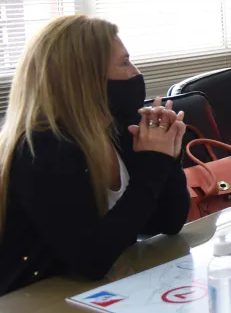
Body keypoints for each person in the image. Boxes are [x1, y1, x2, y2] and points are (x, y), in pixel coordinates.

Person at [0, 16, 190, 295]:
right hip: (33, 297)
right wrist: (153, 166)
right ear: (85, 80)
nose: (136, 73)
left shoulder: (117, 130)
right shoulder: (43, 149)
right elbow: (92, 259)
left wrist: (166, 155)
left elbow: (168, 222)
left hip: (98, 291)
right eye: (124, 63)